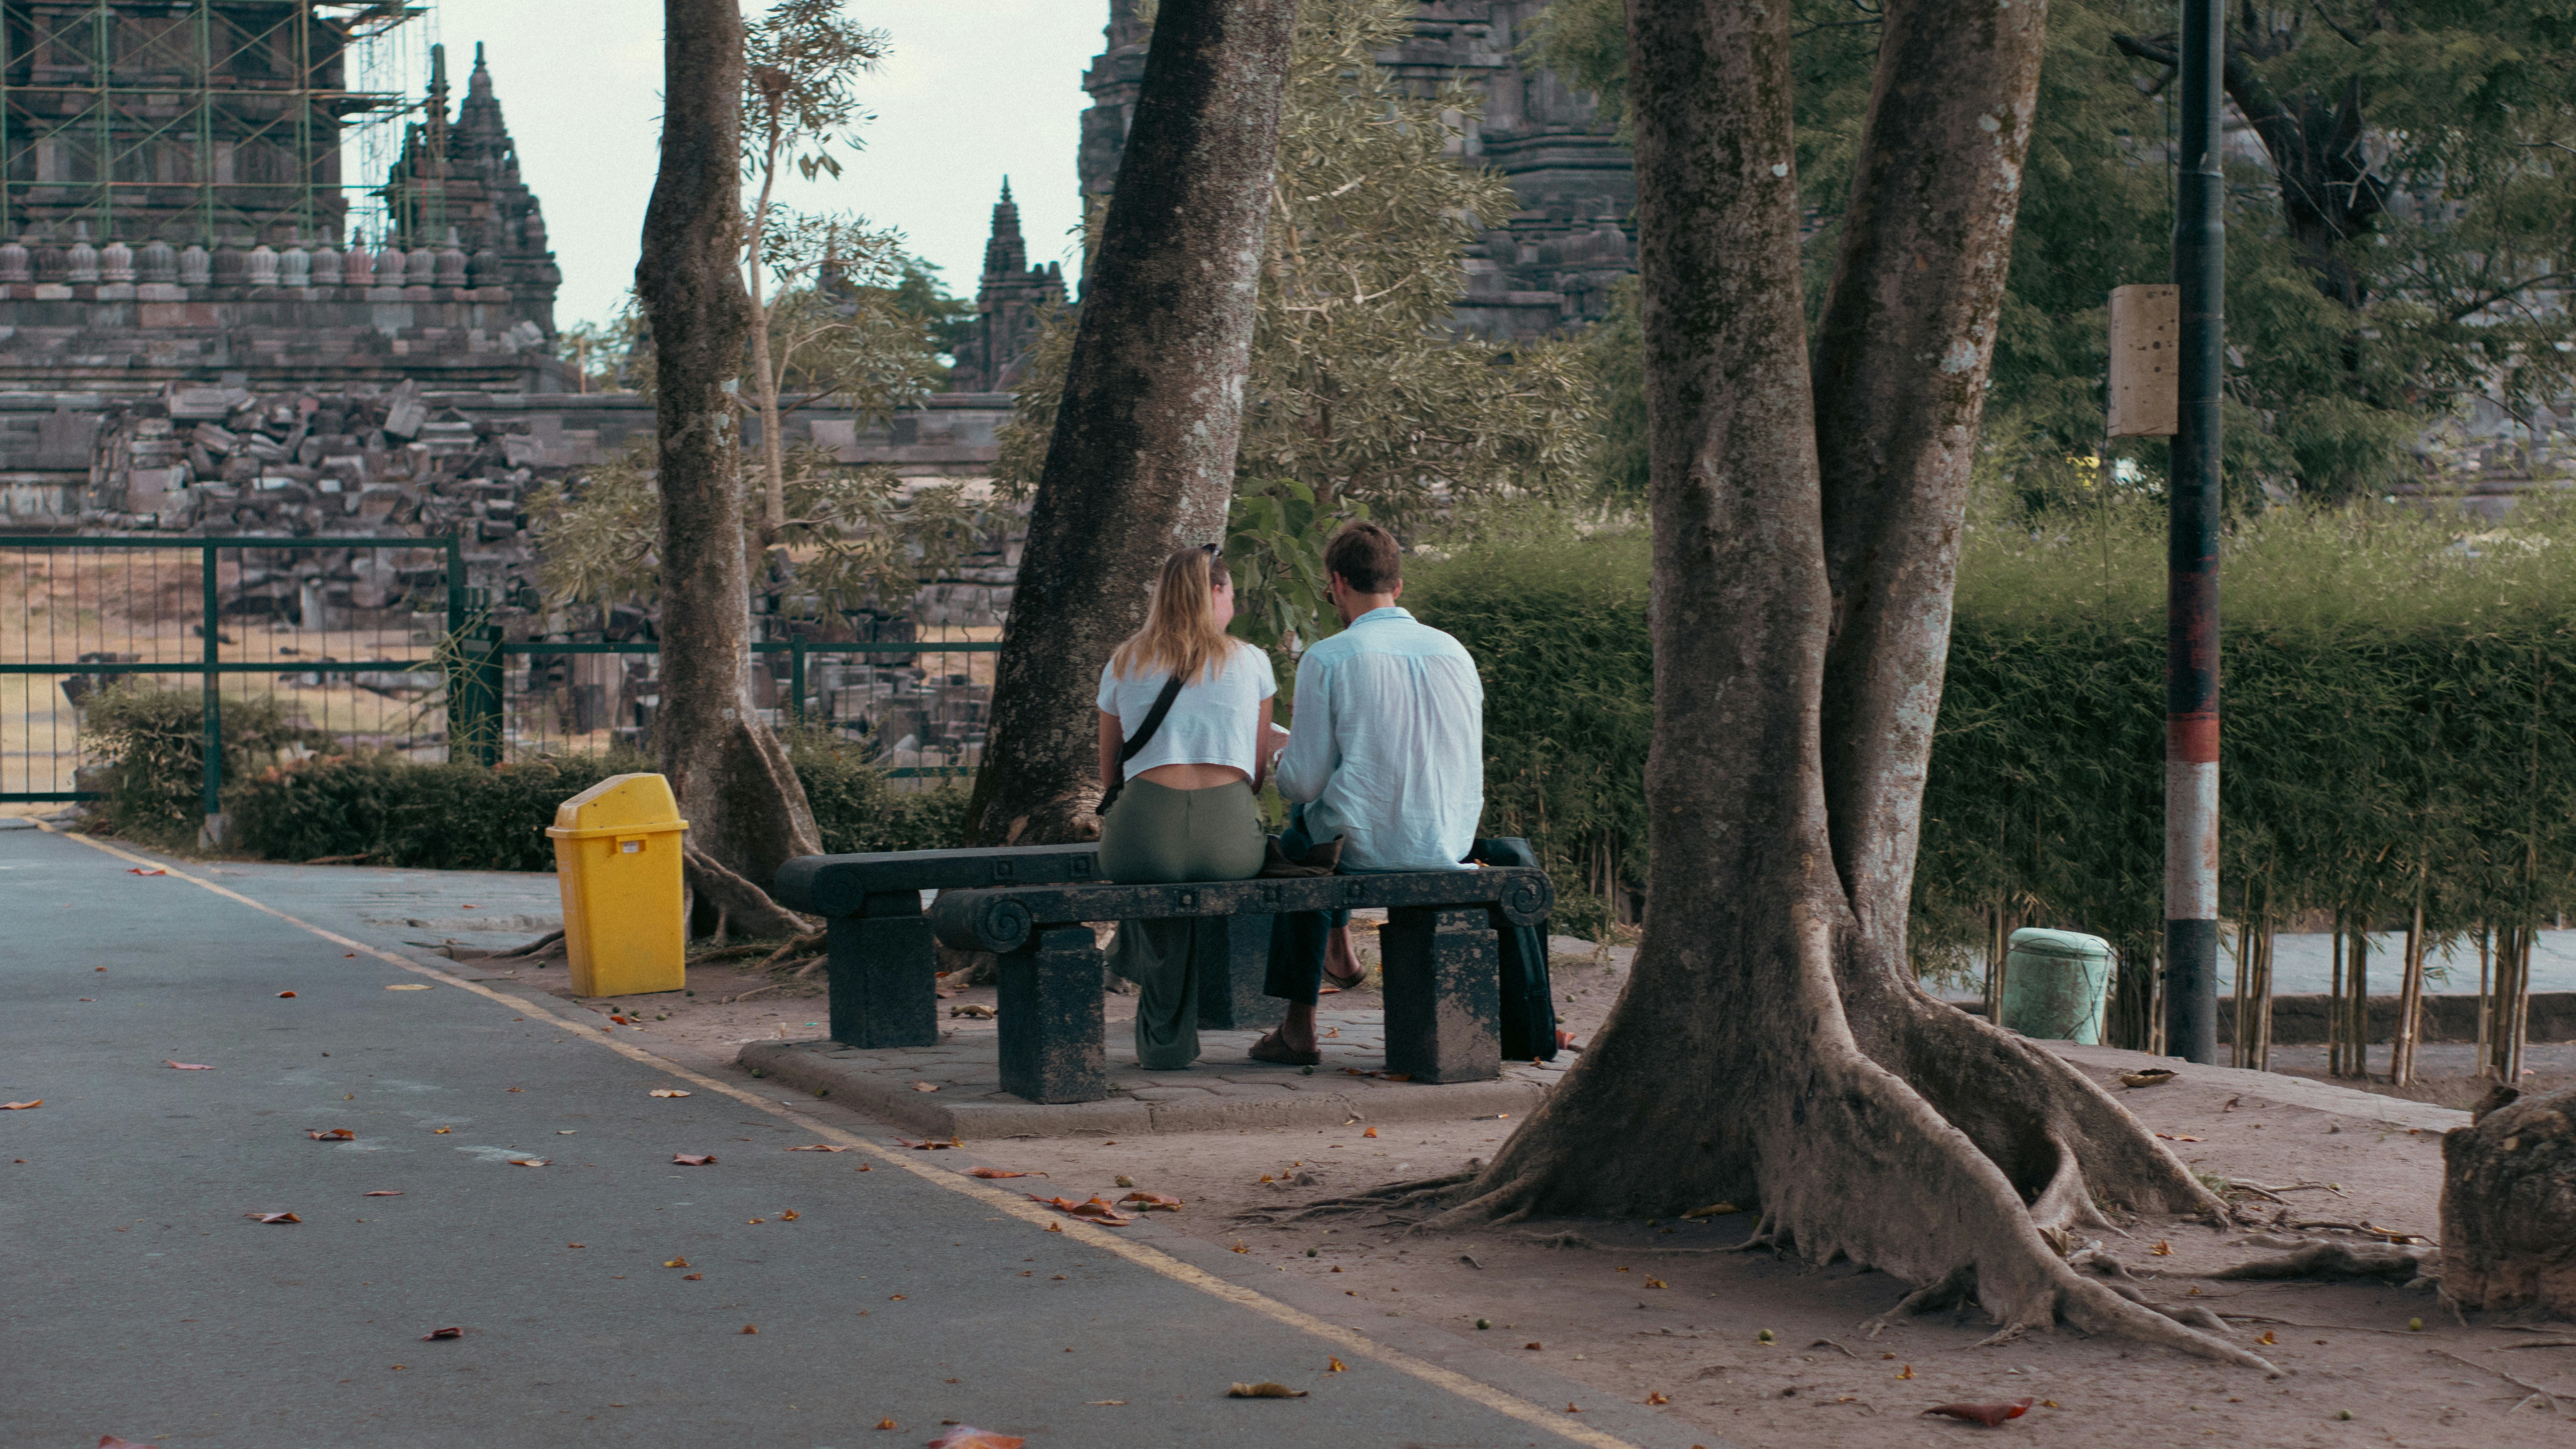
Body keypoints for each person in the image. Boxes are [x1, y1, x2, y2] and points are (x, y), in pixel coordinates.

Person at [1252, 521, 1483, 1066]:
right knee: (1331, 809)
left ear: (1336, 583)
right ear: (1397, 586)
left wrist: (1277, 759)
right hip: (1447, 839)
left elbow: (1303, 781)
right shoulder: (1454, 651)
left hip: (1363, 849)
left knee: (1300, 839)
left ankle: (1298, 1026)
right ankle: (1338, 950)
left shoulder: (1329, 657)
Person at [1095, 545, 1277, 1070]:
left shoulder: (1125, 661)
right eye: (1232, 596)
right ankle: (1159, 1028)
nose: (1235, 609)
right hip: (1229, 842)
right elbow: (1258, 774)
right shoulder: (1252, 661)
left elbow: (1111, 776)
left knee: (1158, 885)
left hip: (1142, 834)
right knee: (1194, 871)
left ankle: (1162, 1036)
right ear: (1216, 592)